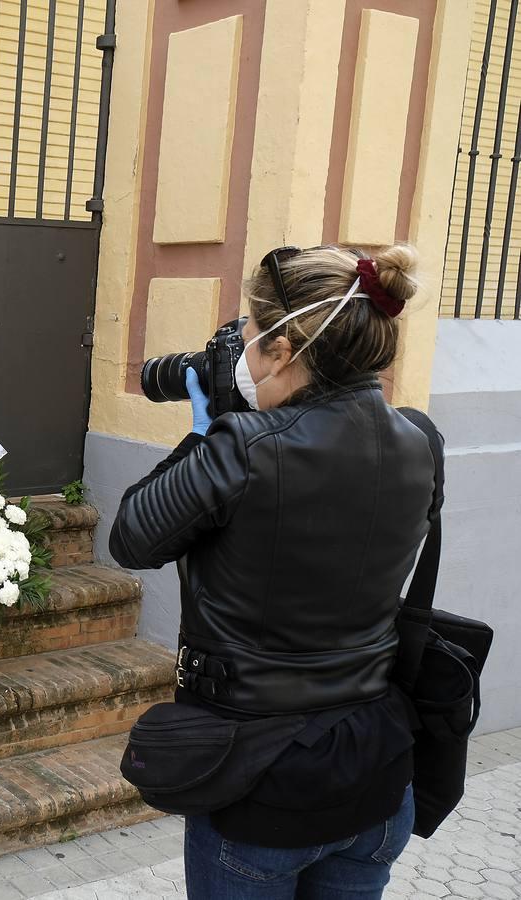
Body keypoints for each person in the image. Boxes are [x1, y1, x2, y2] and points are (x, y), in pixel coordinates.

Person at [109, 244, 436, 899]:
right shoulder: (418, 438)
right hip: (374, 772)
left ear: (284, 351)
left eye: (250, 340)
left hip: (265, 789)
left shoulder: (245, 448)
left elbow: (132, 537)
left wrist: (209, 430)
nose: (242, 357)